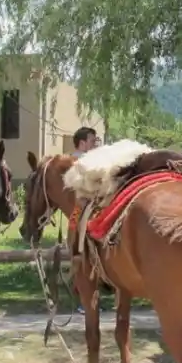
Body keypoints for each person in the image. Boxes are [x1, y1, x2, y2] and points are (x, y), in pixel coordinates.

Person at [69, 126, 99, 313]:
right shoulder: (78, 161)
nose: (94, 144)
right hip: (81, 208)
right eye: (92, 141)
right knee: (82, 253)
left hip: (89, 206)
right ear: (82, 143)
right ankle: (83, 300)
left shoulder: (87, 160)